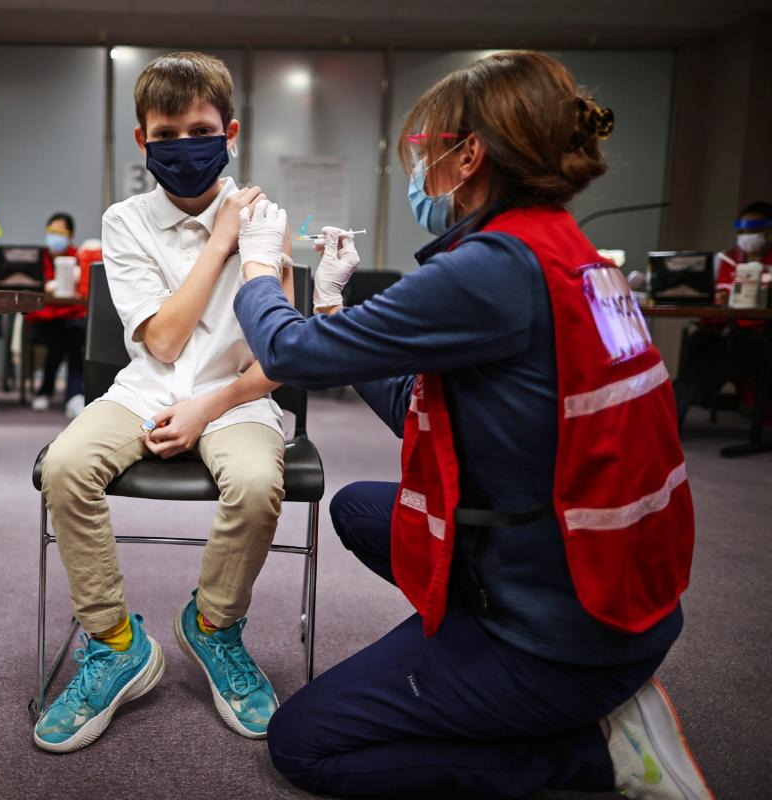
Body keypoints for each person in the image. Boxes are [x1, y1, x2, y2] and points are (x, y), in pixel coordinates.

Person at [234, 51, 711, 799]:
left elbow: (288, 352)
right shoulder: (573, 255)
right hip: (605, 587)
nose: (418, 169)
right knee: (360, 508)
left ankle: (594, 754)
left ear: (470, 155)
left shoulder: (491, 269)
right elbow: (423, 413)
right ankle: (495, 668)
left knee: (303, 746)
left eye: (423, 150)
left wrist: (260, 269)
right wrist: (334, 306)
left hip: (566, 635)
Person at [33, 51, 294, 753]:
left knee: (258, 481)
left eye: (201, 129)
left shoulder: (266, 219)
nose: (185, 146)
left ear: (231, 132)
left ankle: (212, 626)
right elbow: (169, 343)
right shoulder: (124, 221)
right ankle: (117, 642)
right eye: (167, 133)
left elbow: (282, 355)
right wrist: (219, 243)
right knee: (65, 467)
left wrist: (209, 409)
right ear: (143, 141)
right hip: (146, 388)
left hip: (236, 398)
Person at [672, 200, 772, 427]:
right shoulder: (726, 260)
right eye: (742, 230)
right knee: (700, 341)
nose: (746, 236)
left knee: (717, 354)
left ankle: (672, 411)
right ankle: (678, 408)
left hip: (761, 334)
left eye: (754, 230)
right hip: (724, 329)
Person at [27, 212, 88, 417]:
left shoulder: (79, 256)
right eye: (51, 231)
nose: (55, 236)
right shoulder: (36, 258)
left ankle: (46, 392)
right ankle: (74, 396)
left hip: (71, 317)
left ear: (70, 235)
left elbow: (84, 289)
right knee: (63, 338)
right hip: (43, 319)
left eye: (60, 232)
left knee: (73, 335)